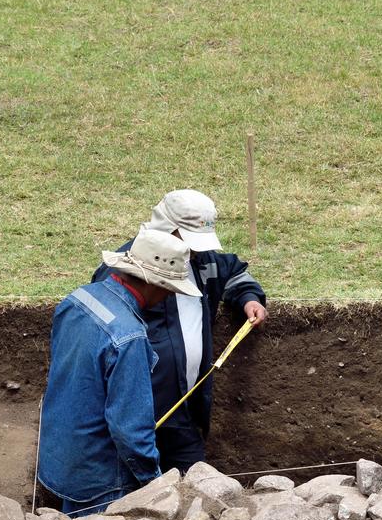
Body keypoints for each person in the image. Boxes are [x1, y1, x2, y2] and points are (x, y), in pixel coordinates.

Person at [93, 189, 268, 472]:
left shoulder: (203, 261)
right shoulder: (128, 266)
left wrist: (248, 298)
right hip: (132, 416)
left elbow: (234, 271)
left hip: (184, 412)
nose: (195, 249)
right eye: (187, 239)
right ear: (168, 228)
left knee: (197, 486)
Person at [34, 227, 199, 517]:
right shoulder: (129, 337)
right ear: (156, 284)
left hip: (59, 456)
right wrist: (154, 483)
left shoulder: (78, 298)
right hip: (100, 476)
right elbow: (131, 428)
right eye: (170, 290)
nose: (168, 297)